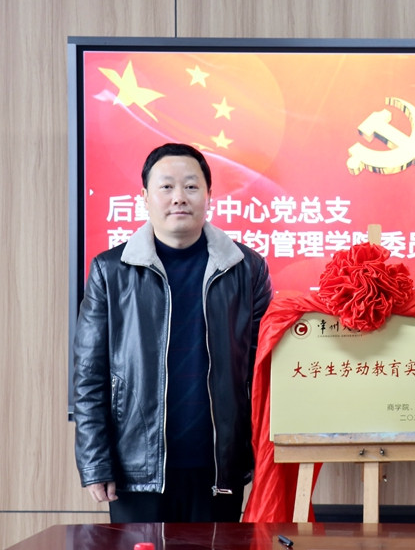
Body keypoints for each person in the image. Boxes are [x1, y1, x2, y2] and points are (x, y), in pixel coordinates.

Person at [73, 142, 273, 523]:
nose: (179, 197)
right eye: (166, 187)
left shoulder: (246, 269)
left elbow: (263, 371)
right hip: (136, 469)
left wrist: (262, 455)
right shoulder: (110, 272)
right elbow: (89, 377)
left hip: (219, 468)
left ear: (209, 195)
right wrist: (95, 460)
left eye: (191, 186)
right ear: (145, 197)